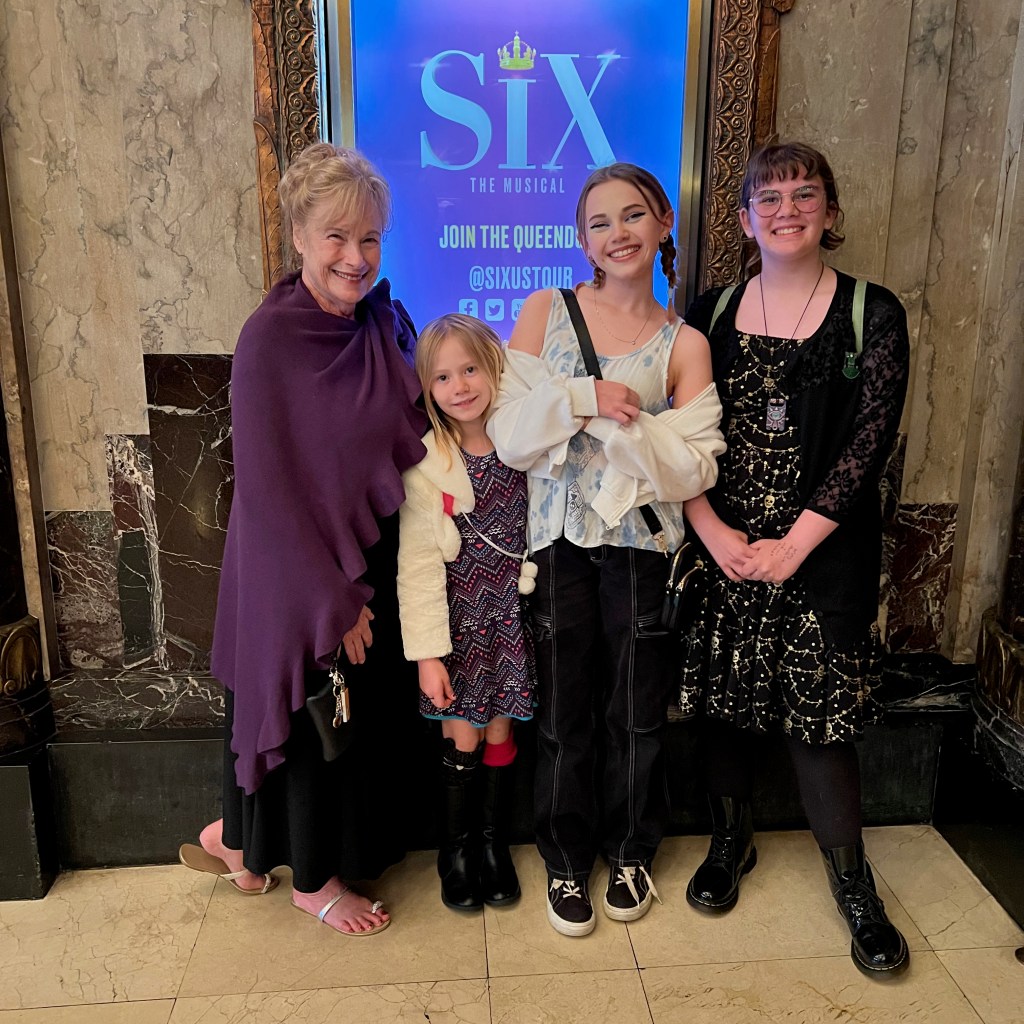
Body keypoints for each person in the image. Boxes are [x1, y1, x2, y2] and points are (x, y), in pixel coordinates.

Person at [178, 142, 427, 936]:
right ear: (298, 236)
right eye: (336, 237)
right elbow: (268, 495)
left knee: (331, 719)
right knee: (316, 712)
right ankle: (313, 884)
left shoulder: (381, 323)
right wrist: (334, 602)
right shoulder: (269, 341)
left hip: (366, 552)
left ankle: (240, 841)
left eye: (370, 238)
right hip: (297, 571)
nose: (356, 257)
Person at [679, 141, 911, 976]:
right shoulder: (709, 313)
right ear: (745, 219)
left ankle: (854, 885)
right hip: (728, 548)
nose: (787, 211)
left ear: (831, 211)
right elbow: (678, 436)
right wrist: (714, 534)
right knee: (725, 705)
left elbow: (869, 442)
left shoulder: (872, 313)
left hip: (823, 554)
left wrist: (796, 545)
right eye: (769, 199)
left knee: (822, 722)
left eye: (804, 195)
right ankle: (729, 841)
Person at [488, 163, 726, 936]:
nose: (617, 233)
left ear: (662, 223)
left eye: (632, 215)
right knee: (563, 713)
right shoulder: (544, 311)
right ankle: (565, 860)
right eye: (599, 222)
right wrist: (585, 400)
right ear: (582, 240)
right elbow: (510, 436)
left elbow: (695, 467)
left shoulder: (686, 343)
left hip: (643, 548)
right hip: (557, 544)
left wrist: (620, 431)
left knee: (636, 713)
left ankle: (630, 852)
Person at [397, 313, 536, 912]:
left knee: (502, 728)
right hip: (458, 627)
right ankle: (454, 851)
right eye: (443, 377)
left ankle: (492, 844)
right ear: (427, 388)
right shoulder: (429, 463)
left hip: (512, 619)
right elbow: (417, 566)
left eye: (471, 369)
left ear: (494, 367)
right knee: (463, 735)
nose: (460, 386)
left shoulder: (521, 442)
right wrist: (428, 656)